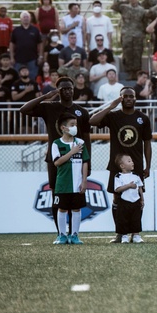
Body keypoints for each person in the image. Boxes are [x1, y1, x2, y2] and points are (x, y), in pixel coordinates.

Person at [21, 77, 92, 235]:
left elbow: (87, 139)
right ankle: (60, 233)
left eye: (69, 88)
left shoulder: (82, 111)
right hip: (55, 160)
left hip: (77, 160)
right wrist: (45, 97)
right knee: (57, 196)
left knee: (75, 198)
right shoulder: (49, 107)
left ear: (74, 90)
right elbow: (24, 110)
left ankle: (73, 234)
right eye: (63, 88)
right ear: (58, 90)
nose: (67, 91)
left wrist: (88, 161)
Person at [90, 86, 153, 240]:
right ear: (121, 98)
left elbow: (147, 144)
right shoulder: (114, 116)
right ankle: (120, 233)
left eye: (131, 96)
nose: (129, 99)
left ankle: (135, 233)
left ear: (136, 99)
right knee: (117, 198)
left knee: (136, 198)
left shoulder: (142, 118)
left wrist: (148, 165)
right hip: (116, 165)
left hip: (136, 165)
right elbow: (92, 121)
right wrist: (110, 106)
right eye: (125, 96)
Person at [50, 113, 88, 245]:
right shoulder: (56, 144)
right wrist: (72, 152)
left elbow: (85, 162)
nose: (75, 127)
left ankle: (75, 235)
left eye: (76, 125)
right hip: (62, 184)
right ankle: (62, 235)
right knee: (62, 209)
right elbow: (57, 162)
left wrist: (84, 180)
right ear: (63, 128)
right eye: (72, 125)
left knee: (77, 209)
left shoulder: (80, 142)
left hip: (77, 184)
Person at [112, 154, 145, 243]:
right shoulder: (118, 176)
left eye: (132, 161)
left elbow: (140, 188)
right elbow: (118, 189)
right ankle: (124, 236)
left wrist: (142, 199)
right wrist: (129, 186)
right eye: (129, 161)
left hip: (135, 201)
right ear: (122, 166)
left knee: (136, 218)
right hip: (124, 201)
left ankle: (136, 236)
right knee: (123, 219)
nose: (132, 162)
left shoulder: (136, 175)